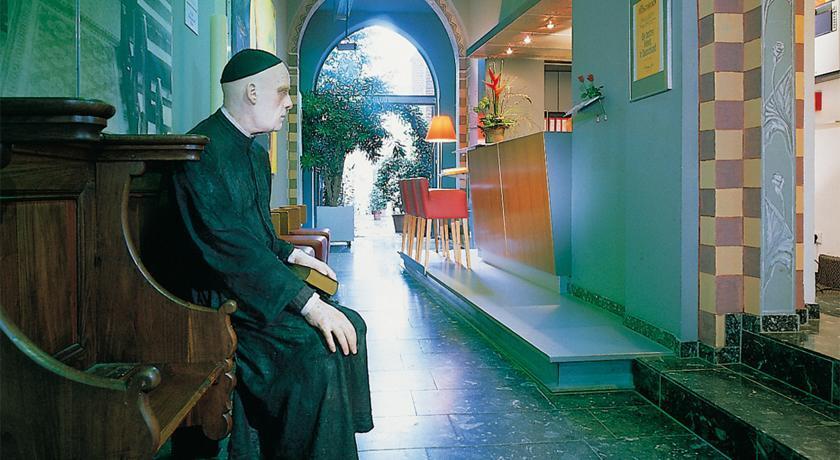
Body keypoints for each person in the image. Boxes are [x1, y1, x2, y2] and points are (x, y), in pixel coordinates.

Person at [170, 49, 373, 459]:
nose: (289, 102)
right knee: (316, 349)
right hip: (218, 304)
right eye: (282, 92)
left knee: (353, 325)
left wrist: (294, 255)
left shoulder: (256, 153)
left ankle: (332, 443)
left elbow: (258, 235)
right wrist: (309, 305)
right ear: (251, 92)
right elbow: (229, 249)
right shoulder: (202, 153)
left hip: (249, 289)